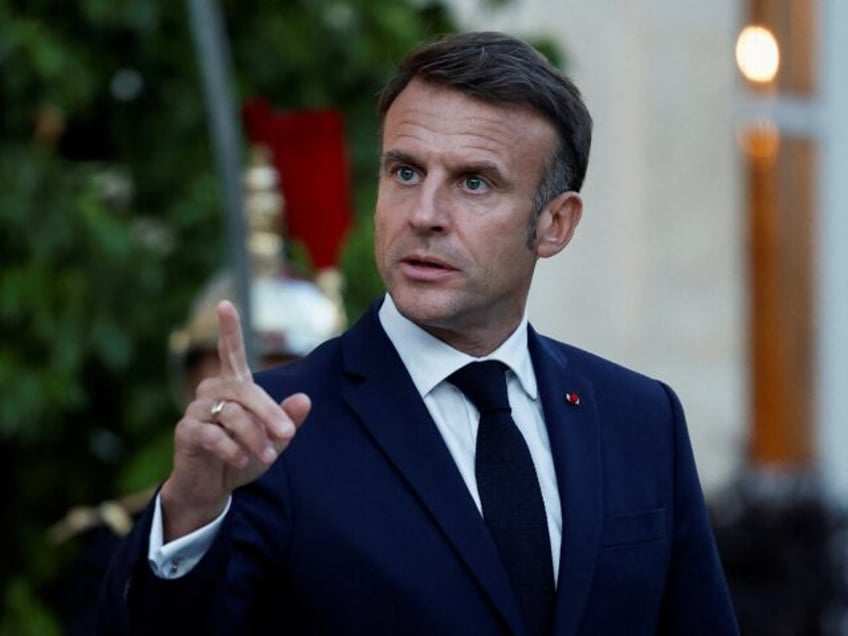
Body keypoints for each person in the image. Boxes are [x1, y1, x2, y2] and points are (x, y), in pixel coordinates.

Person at [97, 31, 739, 635]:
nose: (425, 215)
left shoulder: (640, 420)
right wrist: (188, 514)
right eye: (405, 172)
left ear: (556, 224)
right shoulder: (276, 431)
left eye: (473, 182)